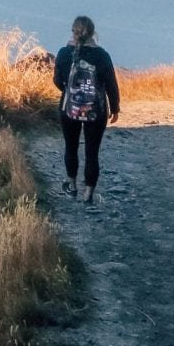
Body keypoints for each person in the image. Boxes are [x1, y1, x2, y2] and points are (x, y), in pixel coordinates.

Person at [53, 14, 120, 204]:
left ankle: (71, 185)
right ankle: (88, 194)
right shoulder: (102, 55)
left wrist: (70, 91)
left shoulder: (64, 53)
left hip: (69, 108)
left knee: (71, 147)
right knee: (92, 152)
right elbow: (111, 85)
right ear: (93, 33)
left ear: (73, 32)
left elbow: (57, 81)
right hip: (96, 111)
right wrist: (115, 108)